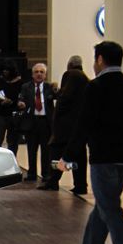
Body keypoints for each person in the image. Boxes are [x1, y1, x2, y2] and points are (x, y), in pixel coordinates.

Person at [58, 40, 123, 244]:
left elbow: (83, 124)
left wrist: (67, 156)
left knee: (110, 209)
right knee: (104, 206)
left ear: (99, 60)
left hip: (104, 159)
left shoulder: (95, 87)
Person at [42, 54, 89, 193]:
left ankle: (53, 180)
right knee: (78, 156)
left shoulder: (70, 74)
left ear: (70, 65)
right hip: (79, 125)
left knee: (56, 153)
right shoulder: (85, 78)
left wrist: (57, 114)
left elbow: (65, 98)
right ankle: (81, 185)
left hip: (65, 126)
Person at [17, 62, 54, 183]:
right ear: (32, 74)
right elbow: (21, 98)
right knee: (31, 149)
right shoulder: (26, 87)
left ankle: (46, 174)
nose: (39, 74)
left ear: (45, 75)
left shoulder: (49, 87)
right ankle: (32, 173)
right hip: (31, 122)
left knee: (46, 150)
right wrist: (21, 103)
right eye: (36, 72)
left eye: (41, 72)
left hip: (45, 122)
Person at [0, 59, 23, 150]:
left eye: (7, 70)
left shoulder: (20, 83)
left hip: (13, 115)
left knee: (13, 141)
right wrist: (0, 101)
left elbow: (22, 98)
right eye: (4, 69)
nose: (5, 72)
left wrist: (12, 102)